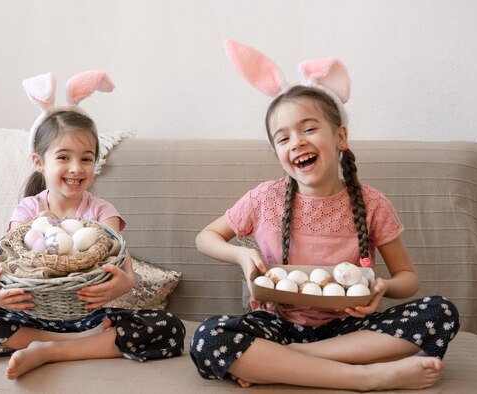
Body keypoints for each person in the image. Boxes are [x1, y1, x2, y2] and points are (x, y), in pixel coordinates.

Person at [189, 40, 460, 391]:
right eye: (282, 138)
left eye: (308, 128)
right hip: (277, 326)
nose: (296, 142)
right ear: (277, 153)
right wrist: (241, 254)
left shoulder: (372, 204)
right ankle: (364, 377)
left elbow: (407, 278)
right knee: (208, 338)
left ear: (340, 137)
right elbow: (205, 237)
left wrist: (382, 288)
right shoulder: (265, 198)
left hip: (349, 329)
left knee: (441, 312)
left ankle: (286, 362)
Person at [0, 71, 185, 380]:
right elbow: (6, 267)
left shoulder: (102, 212)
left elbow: (125, 274)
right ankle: (67, 346)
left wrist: (119, 286)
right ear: (39, 162)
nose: (76, 168)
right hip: (31, 316)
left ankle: (50, 351)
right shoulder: (28, 209)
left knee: (169, 327)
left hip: (91, 318)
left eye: (86, 159)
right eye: (64, 157)